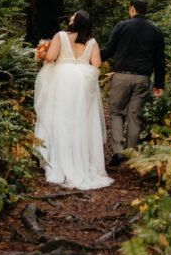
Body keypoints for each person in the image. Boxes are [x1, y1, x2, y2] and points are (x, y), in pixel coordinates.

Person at [33, 10, 113, 190]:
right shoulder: (91, 41)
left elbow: (51, 57)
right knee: (81, 122)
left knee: (60, 119)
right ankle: (83, 163)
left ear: (75, 21)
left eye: (73, 15)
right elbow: (98, 64)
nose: (70, 17)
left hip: (62, 80)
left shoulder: (60, 35)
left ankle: (60, 162)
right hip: (83, 82)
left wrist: (42, 53)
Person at [100, 0, 165, 166]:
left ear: (132, 9)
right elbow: (160, 60)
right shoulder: (156, 31)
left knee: (115, 112)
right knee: (134, 116)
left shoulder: (122, 26)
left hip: (122, 75)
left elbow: (109, 50)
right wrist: (159, 84)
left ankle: (118, 151)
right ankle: (131, 154)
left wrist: (92, 59)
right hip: (143, 78)